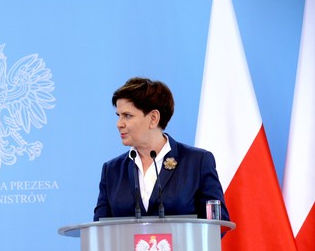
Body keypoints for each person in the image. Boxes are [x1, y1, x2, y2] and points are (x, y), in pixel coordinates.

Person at [93, 77, 229, 221]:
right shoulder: (112, 170)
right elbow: (99, 229)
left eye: (127, 116)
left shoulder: (197, 162)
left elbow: (217, 223)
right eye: (118, 116)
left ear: (153, 118)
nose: (119, 124)